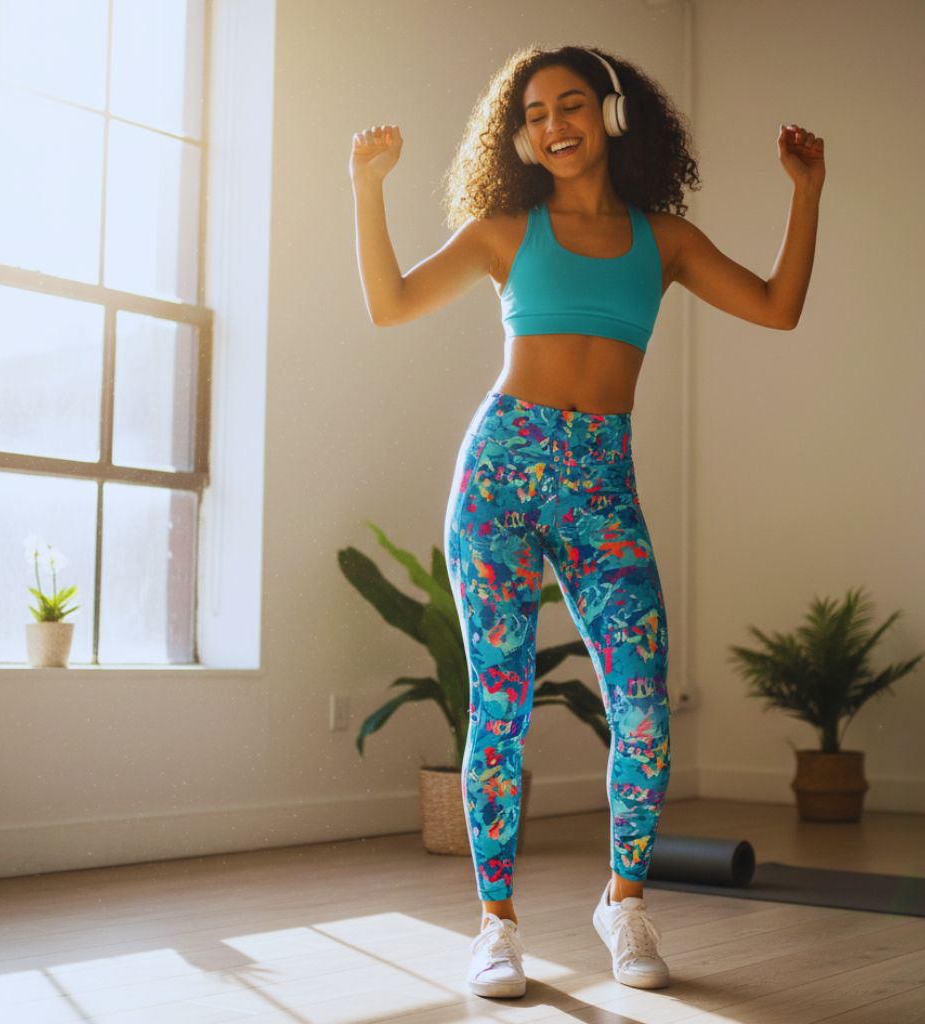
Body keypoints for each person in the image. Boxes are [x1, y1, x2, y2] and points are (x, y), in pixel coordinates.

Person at [350, 43, 824, 1000]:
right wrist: (367, 185)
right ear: (517, 134)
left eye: (571, 105)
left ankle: (626, 901)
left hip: (601, 486)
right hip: (499, 475)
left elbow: (779, 310)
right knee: (502, 705)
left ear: (611, 115)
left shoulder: (668, 240)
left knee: (643, 708)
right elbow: (391, 304)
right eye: (533, 112)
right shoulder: (504, 229)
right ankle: (496, 926)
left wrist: (807, 191)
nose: (552, 124)